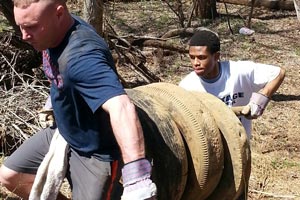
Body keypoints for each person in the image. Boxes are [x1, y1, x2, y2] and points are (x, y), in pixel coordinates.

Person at [0, 0, 157, 199]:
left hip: (95, 152)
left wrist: (137, 176)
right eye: (21, 26)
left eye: (31, 27)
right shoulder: (52, 33)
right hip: (65, 132)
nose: (24, 36)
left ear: (59, 14)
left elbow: (122, 107)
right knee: (11, 176)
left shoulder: (82, 57)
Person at [179, 29, 285, 139]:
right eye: (192, 57)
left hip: (240, 142)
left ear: (216, 56)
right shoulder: (187, 87)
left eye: (202, 57)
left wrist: (259, 102)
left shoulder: (239, 72)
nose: (196, 63)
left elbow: (279, 73)